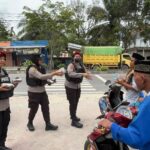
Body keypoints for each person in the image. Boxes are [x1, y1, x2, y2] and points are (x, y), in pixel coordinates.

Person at [99, 60, 150, 150]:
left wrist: (111, 126)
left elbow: (137, 138)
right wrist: (138, 107)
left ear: (142, 79)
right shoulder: (146, 97)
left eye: (134, 77)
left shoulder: (148, 104)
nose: (134, 80)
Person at [26, 54, 63, 131]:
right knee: (34, 109)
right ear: (35, 60)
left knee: (46, 108)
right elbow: (41, 77)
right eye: (39, 59)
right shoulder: (32, 69)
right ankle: (29, 123)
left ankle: (48, 124)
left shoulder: (41, 67)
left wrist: (49, 81)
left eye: (41, 59)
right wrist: (54, 73)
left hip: (42, 92)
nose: (41, 60)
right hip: (33, 93)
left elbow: (44, 78)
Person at [65, 51, 92, 128]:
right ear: (73, 57)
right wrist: (83, 74)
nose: (78, 57)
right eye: (76, 56)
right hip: (70, 87)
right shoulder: (71, 65)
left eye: (79, 56)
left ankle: (73, 116)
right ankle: (73, 121)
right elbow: (70, 74)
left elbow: (85, 72)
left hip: (77, 86)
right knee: (72, 103)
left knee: (76, 102)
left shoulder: (80, 64)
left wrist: (88, 75)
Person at [0, 51, 20, 150]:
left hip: (6, 104)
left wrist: (14, 84)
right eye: (0, 59)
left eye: (3, 59)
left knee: (5, 125)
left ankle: (2, 144)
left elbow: (7, 86)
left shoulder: (4, 71)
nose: (2, 61)